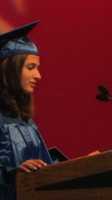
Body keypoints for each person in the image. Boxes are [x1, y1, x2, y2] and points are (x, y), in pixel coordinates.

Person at [0, 21, 53, 200]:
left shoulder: (26, 121)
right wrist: (13, 172)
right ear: (10, 70)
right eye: (31, 67)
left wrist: (84, 165)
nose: (38, 76)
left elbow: (48, 170)